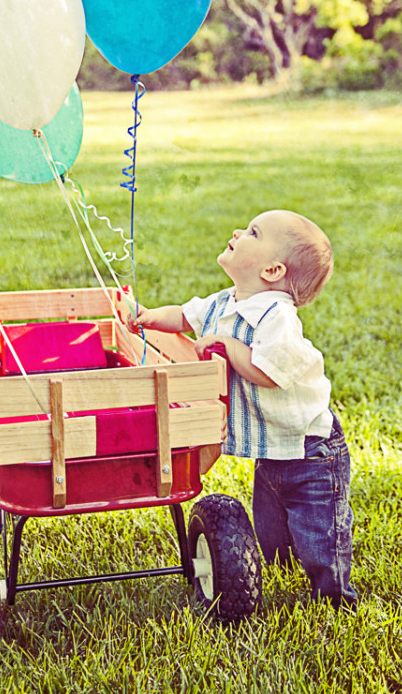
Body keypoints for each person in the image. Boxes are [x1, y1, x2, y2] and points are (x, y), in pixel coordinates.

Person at [128, 208, 357, 612]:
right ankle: (281, 565)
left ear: (271, 270)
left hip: (311, 450)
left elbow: (268, 372)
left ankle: (335, 597)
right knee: (272, 531)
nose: (238, 230)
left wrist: (229, 348)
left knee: (319, 531)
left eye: (252, 231)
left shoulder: (277, 318)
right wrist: (148, 319)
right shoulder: (223, 302)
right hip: (272, 448)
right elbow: (183, 315)